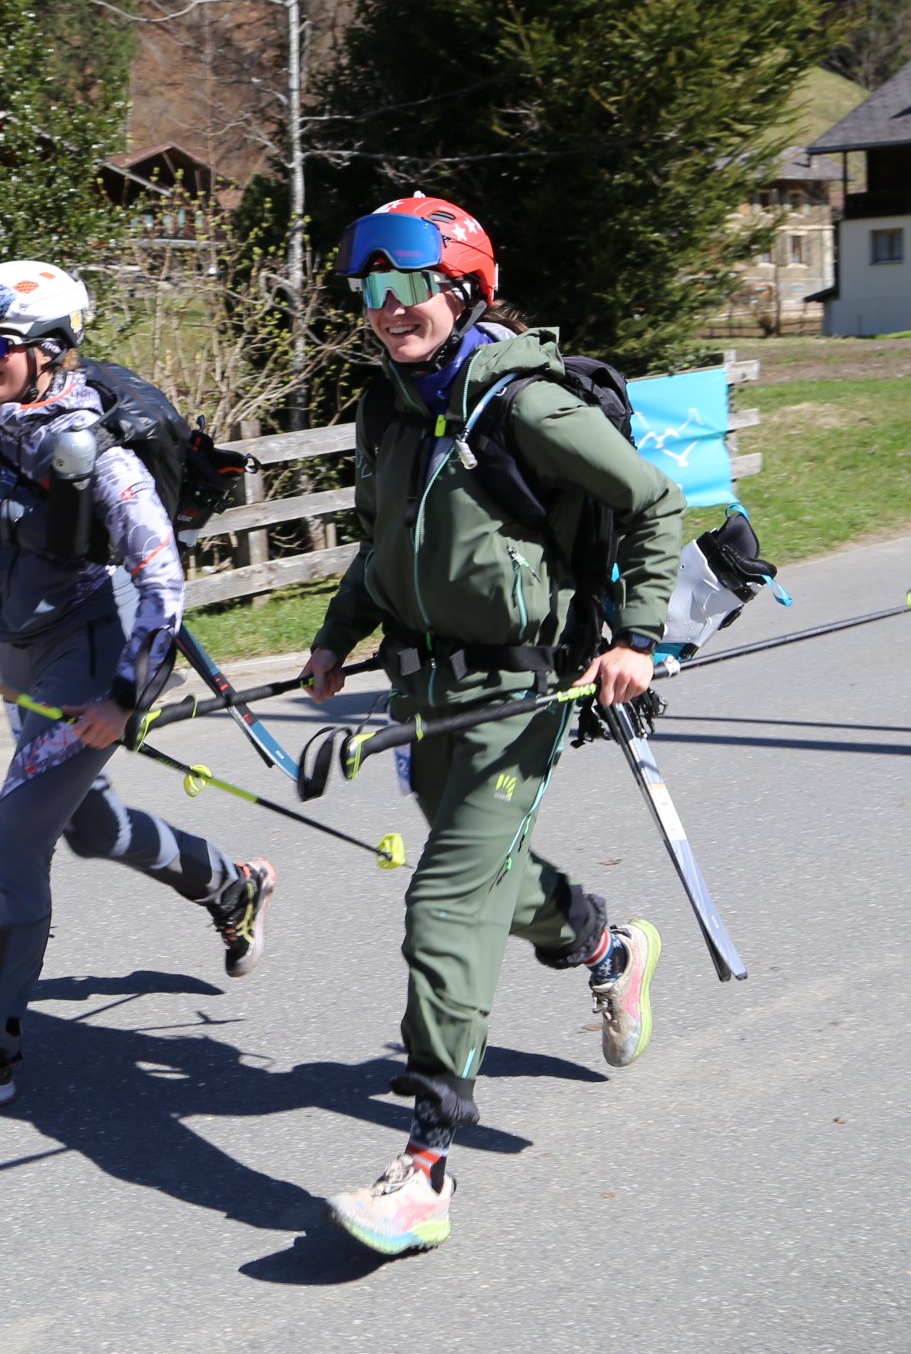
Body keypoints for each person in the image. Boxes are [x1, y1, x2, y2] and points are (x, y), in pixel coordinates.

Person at [299, 197, 686, 1254]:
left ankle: (426, 1165)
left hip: (523, 696)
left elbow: (655, 503)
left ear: (467, 291)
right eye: (372, 290)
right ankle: (606, 943)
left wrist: (637, 640)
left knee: (445, 904)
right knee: (488, 875)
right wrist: (336, 637)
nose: (389, 308)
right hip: (424, 695)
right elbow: (381, 544)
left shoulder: (525, 404)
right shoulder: (387, 407)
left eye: (410, 287)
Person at [0, 259, 278, 1114]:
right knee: (92, 828)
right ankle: (231, 885)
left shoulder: (97, 452)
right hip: (22, 654)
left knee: (14, 841)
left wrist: (126, 695)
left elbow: (163, 583)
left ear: (49, 349)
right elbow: (3, 539)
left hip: (90, 663)